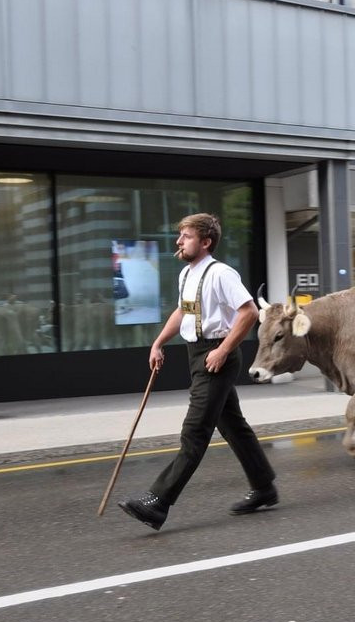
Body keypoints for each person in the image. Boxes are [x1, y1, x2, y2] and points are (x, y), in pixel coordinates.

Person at [118, 213, 278, 530]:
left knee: (194, 432)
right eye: (180, 235)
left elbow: (250, 312)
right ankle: (264, 487)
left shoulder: (221, 274)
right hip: (197, 354)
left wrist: (222, 350)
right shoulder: (186, 275)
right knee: (233, 426)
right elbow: (183, 312)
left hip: (216, 355)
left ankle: (158, 502)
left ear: (205, 242)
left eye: (186, 236)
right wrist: (159, 342)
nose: (179, 241)